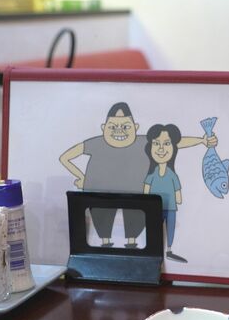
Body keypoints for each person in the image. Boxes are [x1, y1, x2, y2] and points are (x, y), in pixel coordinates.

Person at [59, 102, 216, 248]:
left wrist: (202, 141)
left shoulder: (143, 142)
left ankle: (132, 244)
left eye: (125, 126)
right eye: (113, 127)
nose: (119, 131)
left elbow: (174, 143)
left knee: (135, 220)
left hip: (136, 195)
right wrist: (83, 178)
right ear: (103, 127)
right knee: (102, 220)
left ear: (135, 127)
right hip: (100, 195)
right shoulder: (95, 143)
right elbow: (65, 158)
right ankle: (105, 243)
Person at [143, 124, 187, 263]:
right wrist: (145, 203)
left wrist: (178, 199)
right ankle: (153, 249)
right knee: (154, 228)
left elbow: (177, 190)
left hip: (171, 207)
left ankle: (169, 250)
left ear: (173, 148)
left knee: (170, 229)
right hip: (155, 207)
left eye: (167, 144)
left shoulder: (172, 174)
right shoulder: (151, 174)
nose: (161, 149)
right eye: (156, 144)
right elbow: (146, 190)